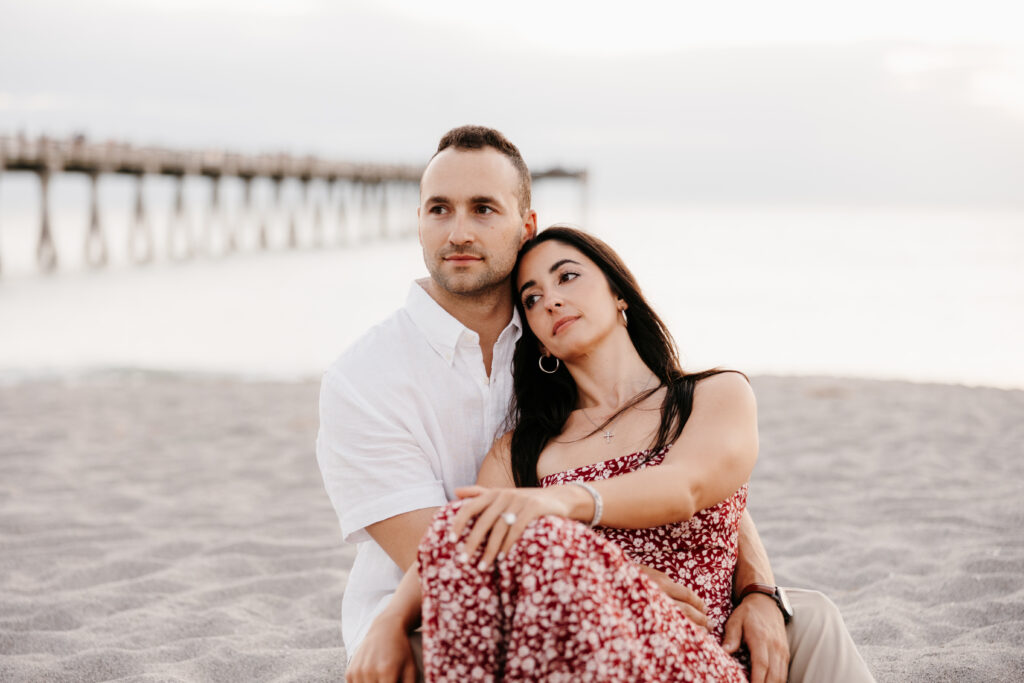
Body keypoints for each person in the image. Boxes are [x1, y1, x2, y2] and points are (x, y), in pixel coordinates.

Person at [317, 125, 875, 682]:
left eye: (484, 208)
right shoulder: (364, 382)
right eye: (439, 209)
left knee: (812, 615)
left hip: (664, 625)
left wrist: (757, 586)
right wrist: (616, 579)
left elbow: (707, 485)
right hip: (454, 621)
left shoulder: (586, 367)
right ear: (419, 220)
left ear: (524, 225)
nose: (459, 230)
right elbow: (456, 549)